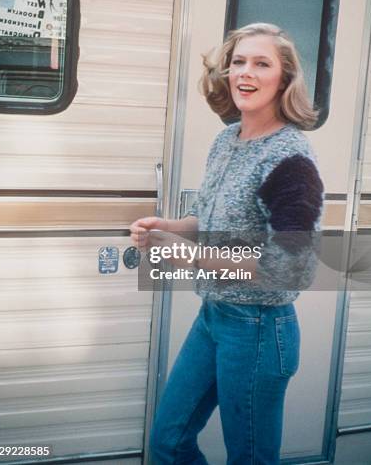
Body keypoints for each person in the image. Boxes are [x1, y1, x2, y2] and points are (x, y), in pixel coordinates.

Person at [130, 23, 324, 464]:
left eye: (261, 63)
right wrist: (171, 226)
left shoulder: (290, 157)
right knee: (168, 442)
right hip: (214, 318)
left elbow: (289, 268)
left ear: (285, 79)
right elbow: (214, 221)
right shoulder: (226, 141)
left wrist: (192, 257)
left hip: (258, 328)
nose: (244, 72)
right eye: (238, 62)